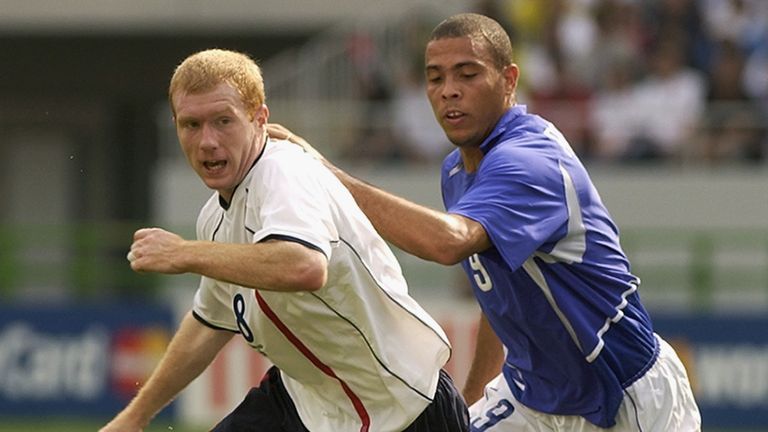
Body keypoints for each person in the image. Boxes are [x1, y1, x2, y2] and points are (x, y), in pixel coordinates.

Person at [274, 13, 701, 431]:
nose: (449, 92)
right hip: (532, 397)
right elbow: (497, 294)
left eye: (467, 75)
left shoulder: (528, 162)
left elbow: (448, 243)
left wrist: (325, 176)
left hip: (623, 398)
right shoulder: (457, 171)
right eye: (436, 77)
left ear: (510, 80)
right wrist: (474, 397)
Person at [99, 48, 469, 432]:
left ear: (259, 118)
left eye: (223, 121)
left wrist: (184, 253)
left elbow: (305, 265)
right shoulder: (215, 215)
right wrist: (135, 416)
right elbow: (209, 322)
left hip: (401, 407)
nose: (207, 141)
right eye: (191, 125)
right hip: (306, 402)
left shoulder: (283, 172)